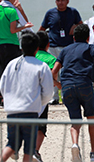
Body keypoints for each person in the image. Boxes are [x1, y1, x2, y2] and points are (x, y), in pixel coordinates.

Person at [52, 24, 94, 161]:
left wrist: (58, 85)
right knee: (91, 117)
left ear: (73, 37)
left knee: (75, 121)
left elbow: (54, 72)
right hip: (84, 85)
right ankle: (93, 152)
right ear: (88, 37)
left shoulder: (65, 50)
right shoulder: (89, 47)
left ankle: (75, 144)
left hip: (67, 87)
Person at [0, 32, 53, 162]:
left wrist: (9, 100)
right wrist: (39, 104)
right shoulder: (41, 66)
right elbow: (48, 92)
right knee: (29, 147)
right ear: (37, 48)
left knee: (12, 144)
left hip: (12, 110)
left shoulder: (12, 64)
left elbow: (2, 85)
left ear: (21, 47)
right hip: (30, 111)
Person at [0, 0, 34, 108]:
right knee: (13, 71)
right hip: (11, 44)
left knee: (5, 70)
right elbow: (13, 30)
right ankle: (2, 97)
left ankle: (0, 96)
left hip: (0, 43)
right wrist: (25, 27)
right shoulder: (12, 11)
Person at [39, 0, 83, 105]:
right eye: (58, 0)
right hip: (52, 46)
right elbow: (42, 29)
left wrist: (75, 27)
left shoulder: (73, 12)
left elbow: (81, 25)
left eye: (63, 0)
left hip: (68, 47)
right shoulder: (50, 13)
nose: (60, 2)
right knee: (53, 72)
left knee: (67, 72)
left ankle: (66, 95)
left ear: (67, 1)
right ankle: (53, 97)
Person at [33, 31, 59, 162]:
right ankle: (35, 151)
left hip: (27, 96)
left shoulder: (29, 56)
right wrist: (58, 85)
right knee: (41, 127)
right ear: (48, 45)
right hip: (42, 98)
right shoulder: (51, 59)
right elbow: (49, 76)